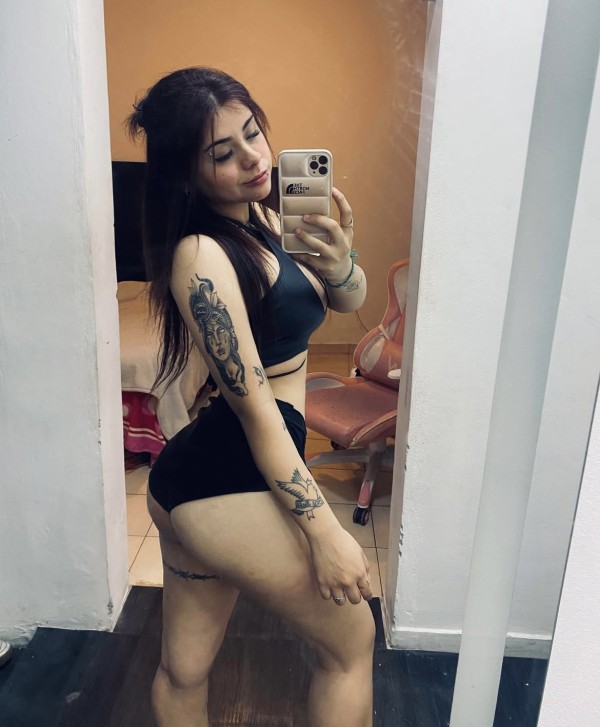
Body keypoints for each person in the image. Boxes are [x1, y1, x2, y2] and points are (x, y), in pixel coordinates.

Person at [127, 67, 375, 727]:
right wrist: (323, 531)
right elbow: (257, 410)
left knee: (185, 666)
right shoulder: (201, 254)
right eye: (223, 153)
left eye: (253, 132)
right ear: (187, 175)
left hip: (202, 472)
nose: (254, 158)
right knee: (351, 643)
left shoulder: (265, 213)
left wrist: (341, 263)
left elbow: (347, 300)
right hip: (226, 475)